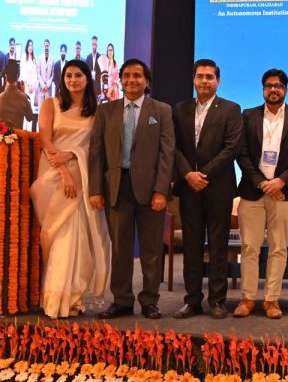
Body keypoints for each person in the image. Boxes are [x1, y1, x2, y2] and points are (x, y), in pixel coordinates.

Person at [88, 58, 175, 320]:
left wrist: (161, 191)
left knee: (151, 249)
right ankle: (122, 300)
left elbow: (167, 154)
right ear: (121, 80)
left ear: (147, 81)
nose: (131, 80)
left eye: (137, 75)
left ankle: (149, 301)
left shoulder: (161, 110)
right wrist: (95, 189)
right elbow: (96, 153)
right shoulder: (106, 111)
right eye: (126, 75)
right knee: (120, 249)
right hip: (116, 188)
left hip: (151, 191)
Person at [30, 60, 111, 319]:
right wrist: (64, 171)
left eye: (78, 75)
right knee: (56, 236)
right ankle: (54, 299)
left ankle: (73, 299)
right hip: (54, 173)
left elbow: (96, 148)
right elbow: (45, 140)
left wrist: (73, 156)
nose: (73, 80)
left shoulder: (97, 111)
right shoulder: (50, 104)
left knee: (78, 239)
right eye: (68, 76)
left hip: (82, 174)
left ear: (87, 79)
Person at [234, 68, 288, 319]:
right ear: (263, 89)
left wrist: (280, 181)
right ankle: (247, 298)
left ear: (285, 89)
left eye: (278, 85)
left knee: (279, 247)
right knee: (249, 247)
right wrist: (261, 183)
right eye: (269, 86)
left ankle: (271, 300)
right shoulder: (248, 115)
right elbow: (241, 152)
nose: (273, 89)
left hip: (283, 192)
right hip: (252, 190)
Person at [172, 59, 243, 320]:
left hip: (218, 188)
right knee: (191, 247)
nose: (204, 81)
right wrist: (188, 174)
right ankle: (192, 301)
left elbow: (232, 147)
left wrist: (203, 174)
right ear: (193, 79)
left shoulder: (231, 109)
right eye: (200, 76)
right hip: (189, 187)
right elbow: (173, 146)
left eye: (209, 77)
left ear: (218, 81)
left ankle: (217, 301)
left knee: (217, 247)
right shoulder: (179, 109)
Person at [0, 60, 33, 128]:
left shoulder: (1, 97)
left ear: (6, 76)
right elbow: (30, 117)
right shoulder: (23, 97)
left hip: (2, 135)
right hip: (18, 134)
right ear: (17, 76)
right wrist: (24, 93)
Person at [37, 39, 55, 105]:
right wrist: (43, 85)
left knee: (48, 108)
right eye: (45, 46)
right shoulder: (40, 58)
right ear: (43, 46)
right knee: (40, 109)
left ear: (49, 46)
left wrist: (47, 85)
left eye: (47, 46)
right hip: (41, 87)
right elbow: (38, 73)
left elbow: (53, 74)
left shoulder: (52, 59)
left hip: (48, 88)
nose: (46, 47)